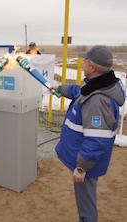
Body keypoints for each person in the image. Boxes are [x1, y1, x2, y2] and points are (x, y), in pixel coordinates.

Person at [49, 45, 125, 222]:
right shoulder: (99, 86)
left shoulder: (98, 100)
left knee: (86, 205)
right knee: (85, 200)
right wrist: (60, 88)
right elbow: (79, 92)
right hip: (86, 161)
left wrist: (82, 167)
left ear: (93, 68)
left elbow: (97, 140)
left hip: (87, 165)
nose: (82, 64)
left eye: (85, 62)